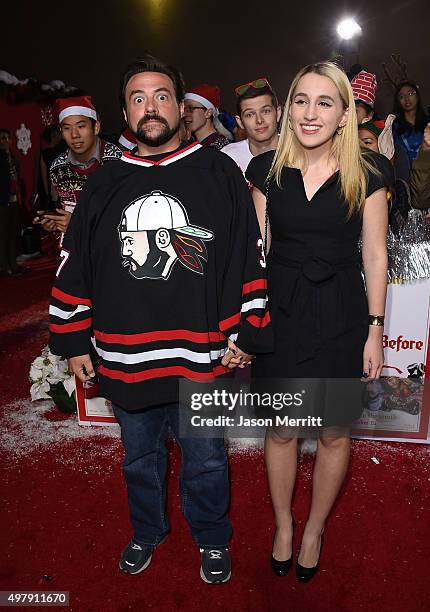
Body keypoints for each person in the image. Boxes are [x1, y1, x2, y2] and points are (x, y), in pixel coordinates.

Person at [48, 55, 272, 584]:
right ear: (125, 110)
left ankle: (212, 536)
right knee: (139, 458)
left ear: (180, 104)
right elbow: (75, 262)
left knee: (207, 459)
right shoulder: (104, 183)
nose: (151, 108)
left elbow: (248, 253)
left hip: (202, 350)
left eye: (162, 96)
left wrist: (246, 329)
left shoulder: (218, 171)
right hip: (124, 353)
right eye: (139, 98)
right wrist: (75, 338)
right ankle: (148, 530)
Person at [245, 61, 388, 581]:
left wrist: (375, 328)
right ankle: (284, 523)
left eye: (325, 102)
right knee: (282, 430)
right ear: (288, 110)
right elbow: (256, 254)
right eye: (301, 100)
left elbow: (374, 255)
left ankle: (314, 529)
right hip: (280, 310)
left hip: (342, 313)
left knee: (332, 432)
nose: (311, 113)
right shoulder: (264, 171)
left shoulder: (369, 174)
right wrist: (247, 321)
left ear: (345, 115)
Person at [34, 96, 122, 234]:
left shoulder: (119, 161)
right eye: (67, 128)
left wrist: (77, 224)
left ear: (96, 127)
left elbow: (127, 215)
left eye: (81, 126)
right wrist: (55, 223)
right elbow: (65, 211)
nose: (74, 135)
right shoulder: (58, 167)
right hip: (75, 250)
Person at [222, 78, 281, 176]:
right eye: (250, 114)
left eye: (266, 111)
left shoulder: (298, 152)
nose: (259, 120)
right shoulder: (228, 158)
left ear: (278, 113)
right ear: (240, 122)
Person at [0, 128, 22, 275]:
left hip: (14, 199)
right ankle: (3, 265)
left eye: (6, 138)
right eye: (1, 138)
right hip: (2, 200)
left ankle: (13, 264)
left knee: (13, 232)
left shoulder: (12, 156)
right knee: (3, 233)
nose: (4, 141)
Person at [184, 84, 231, 149]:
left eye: (191, 109)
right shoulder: (191, 146)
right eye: (184, 109)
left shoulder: (223, 148)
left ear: (208, 113)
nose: (185, 114)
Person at [392, 81, 429, 162]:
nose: (406, 99)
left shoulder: (427, 124)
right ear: (398, 101)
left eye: (410, 94)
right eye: (401, 96)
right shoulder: (393, 127)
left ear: (418, 96)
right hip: (404, 171)